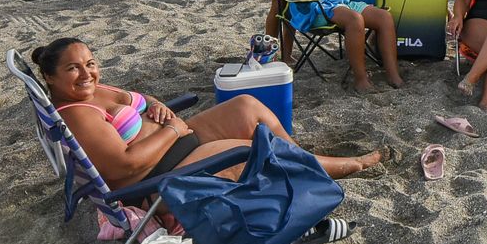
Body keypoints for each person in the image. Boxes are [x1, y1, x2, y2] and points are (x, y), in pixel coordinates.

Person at [31, 38, 386, 190]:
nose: (87, 74)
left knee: (247, 106)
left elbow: (142, 98)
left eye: (90, 64)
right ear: (50, 78)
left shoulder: (97, 89)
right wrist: (172, 130)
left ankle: (305, 161)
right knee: (251, 146)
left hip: (177, 141)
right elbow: (123, 166)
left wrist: (156, 107)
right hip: (159, 171)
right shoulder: (77, 114)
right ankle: (343, 167)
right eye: (73, 69)